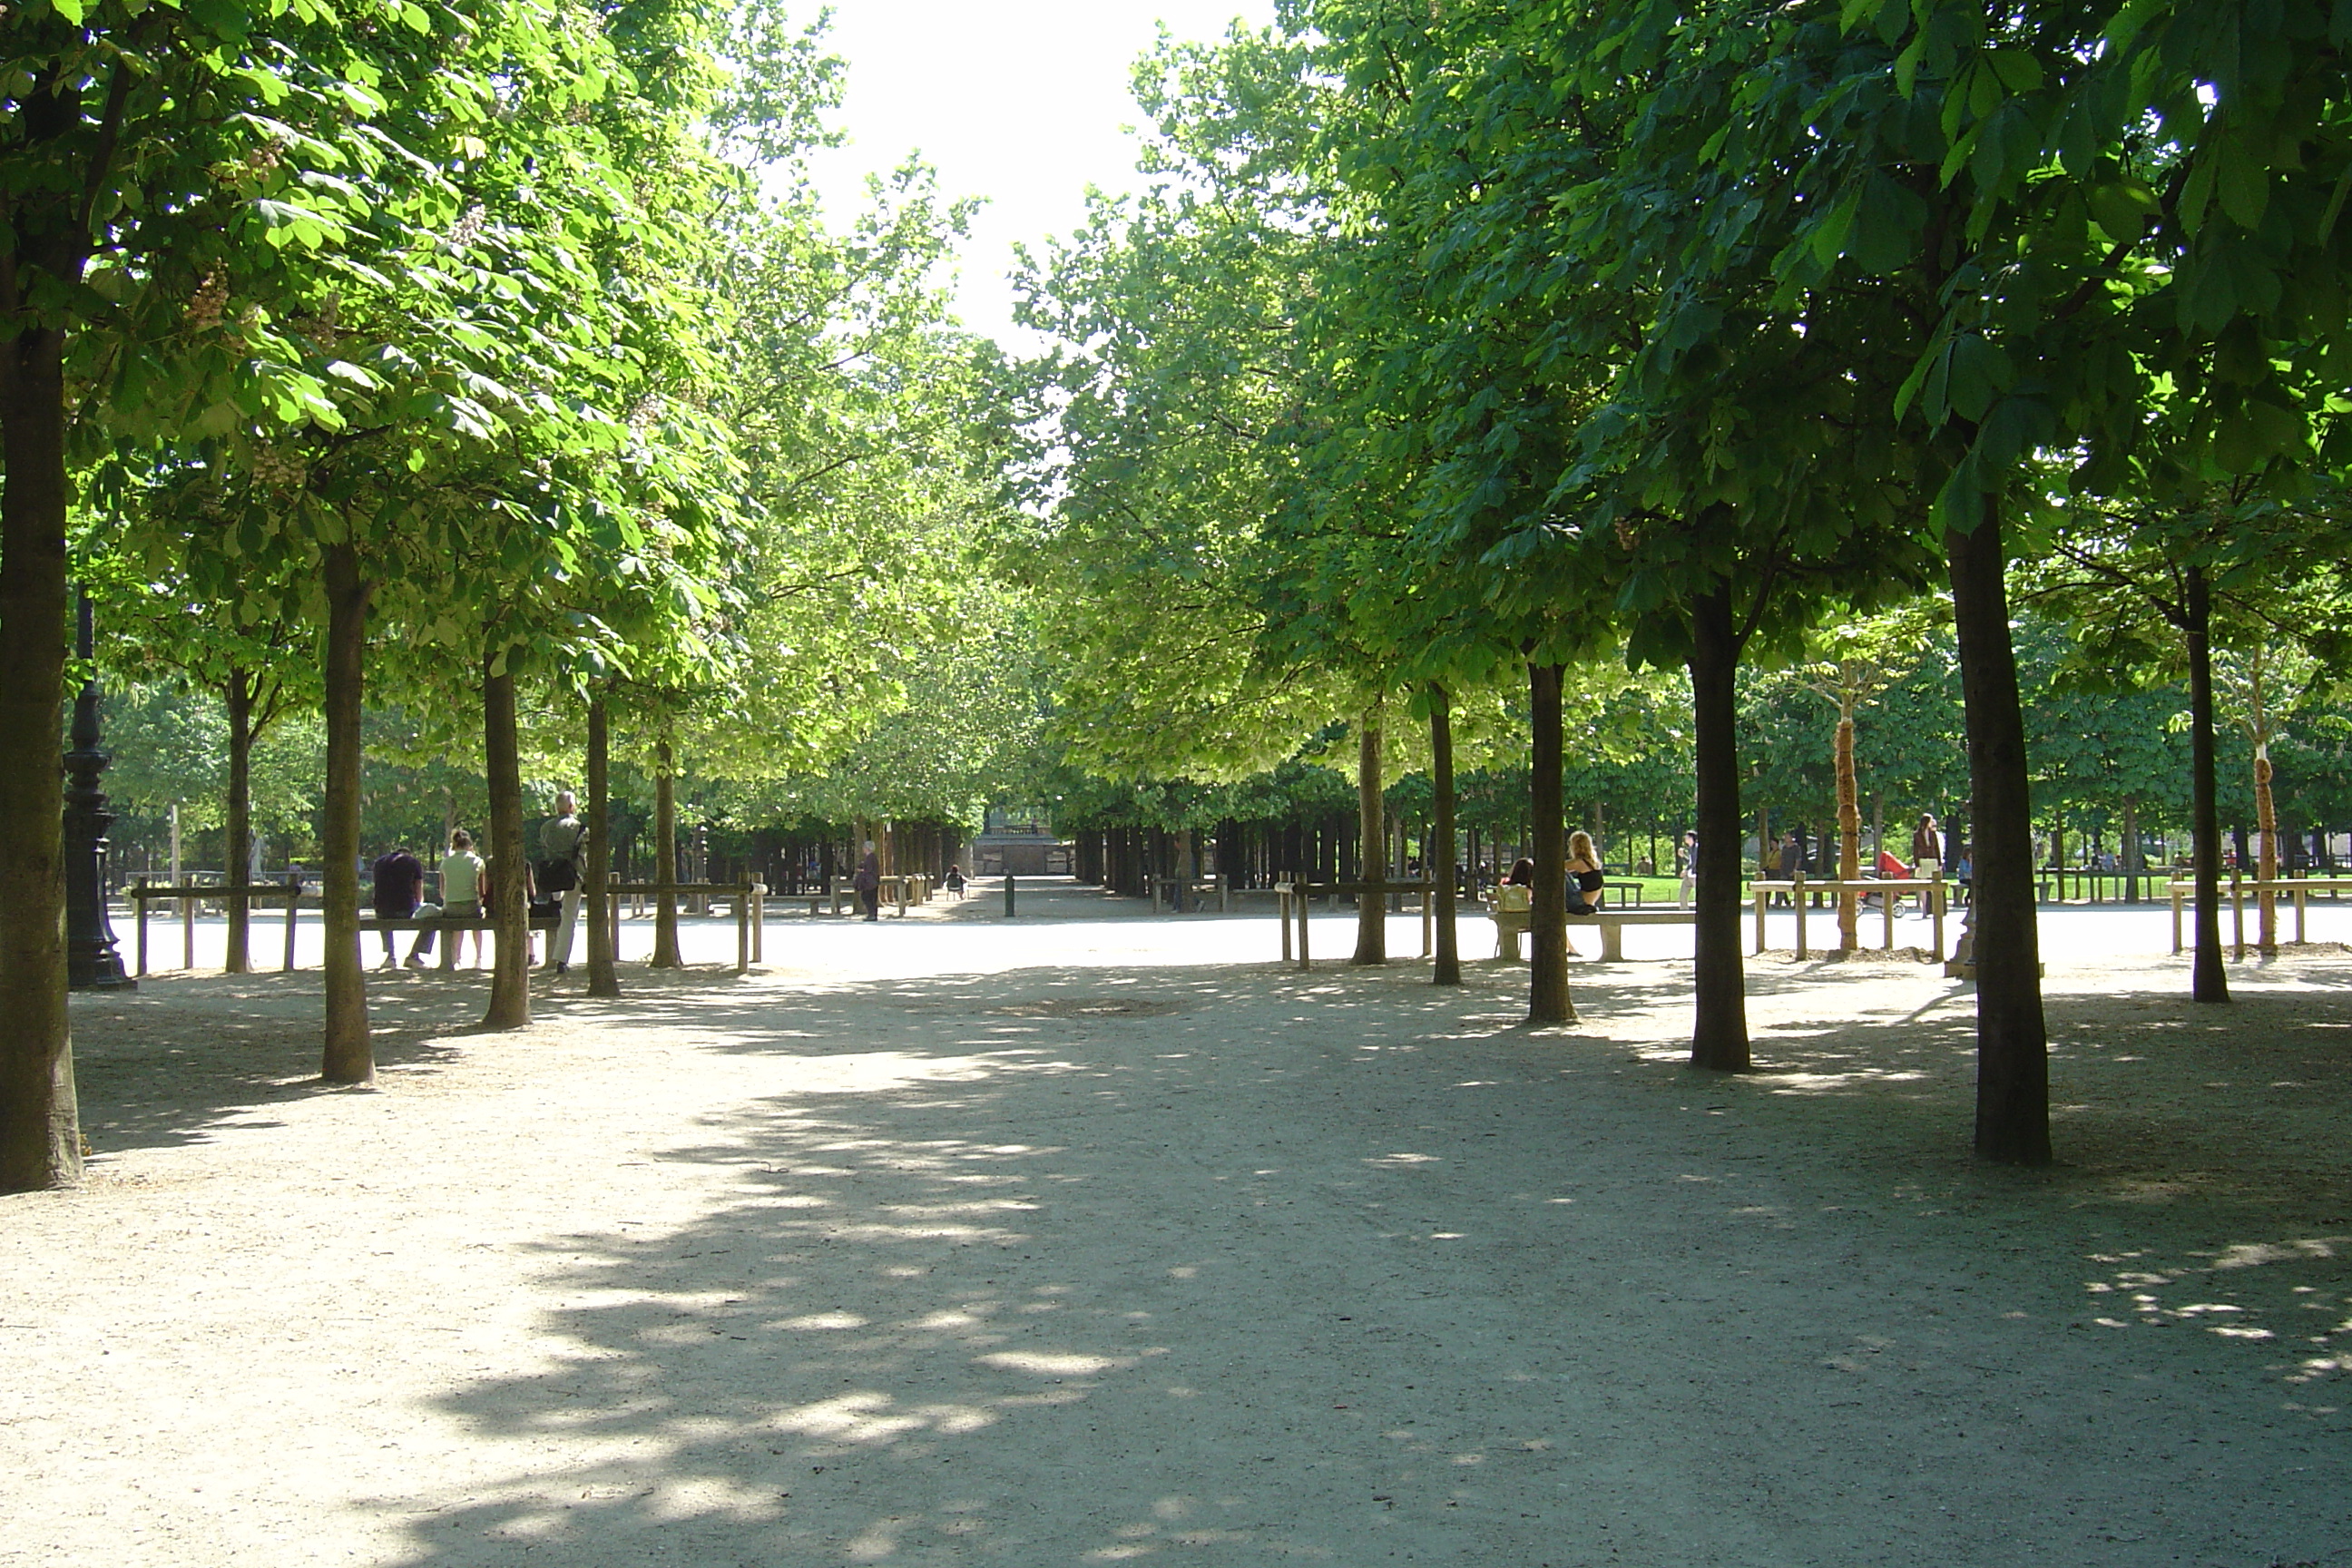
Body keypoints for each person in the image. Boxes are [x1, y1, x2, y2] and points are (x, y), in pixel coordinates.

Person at [538, 790, 587, 975]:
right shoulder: (578, 827)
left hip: (551, 875)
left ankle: (553, 954)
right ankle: (561, 959)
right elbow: (581, 857)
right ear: (571, 806)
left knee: (556, 909)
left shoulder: (545, 828)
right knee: (569, 917)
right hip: (571, 876)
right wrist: (586, 877)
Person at [370, 843, 433, 969]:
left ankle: (390, 956)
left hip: (382, 909)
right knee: (433, 917)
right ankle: (414, 956)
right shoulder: (413, 862)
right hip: (405, 908)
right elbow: (418, 888)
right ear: (408, 854)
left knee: (383, 913)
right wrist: (419, 904)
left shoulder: (379, 863)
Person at [439, 828, 486, 969]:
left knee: (456, 928)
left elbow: (442, 891)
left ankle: (456, 958)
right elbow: (482, 890)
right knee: (477, 927)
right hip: (471, 905)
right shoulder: (477, 861)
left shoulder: (446, 862)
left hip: (451, 906)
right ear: (470, 845)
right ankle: (478, 958)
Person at [1565, 831, 1606, 916]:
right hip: (1590, 902)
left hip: (1579, 903)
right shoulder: (1592, 863)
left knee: (1561, 874)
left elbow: (1554, 868)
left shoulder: (1579, 863)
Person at [854, 839, 882, 922]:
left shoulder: (870, 858)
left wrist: (861, 870)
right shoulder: (872, 857)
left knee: (866, 897)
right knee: (872, 898)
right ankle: (873, 914)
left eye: (864, 847)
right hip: (874, 881)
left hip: (869, 882)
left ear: (867, 848)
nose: (863, 848)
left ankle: (871, 914)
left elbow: (868, 870)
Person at [1677, 830, 1698, 907]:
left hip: (1695, 875)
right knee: (1683, 895)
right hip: (1689, 875)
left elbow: (1695, 862)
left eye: (1686, 837)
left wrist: (1686, 870)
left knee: (1698, 895)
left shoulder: (1696, 848)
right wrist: (1682, 856)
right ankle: (1683, 913)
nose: (1685, 838)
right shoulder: (1690, 848)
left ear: (1691, 838)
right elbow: (1690, 862)